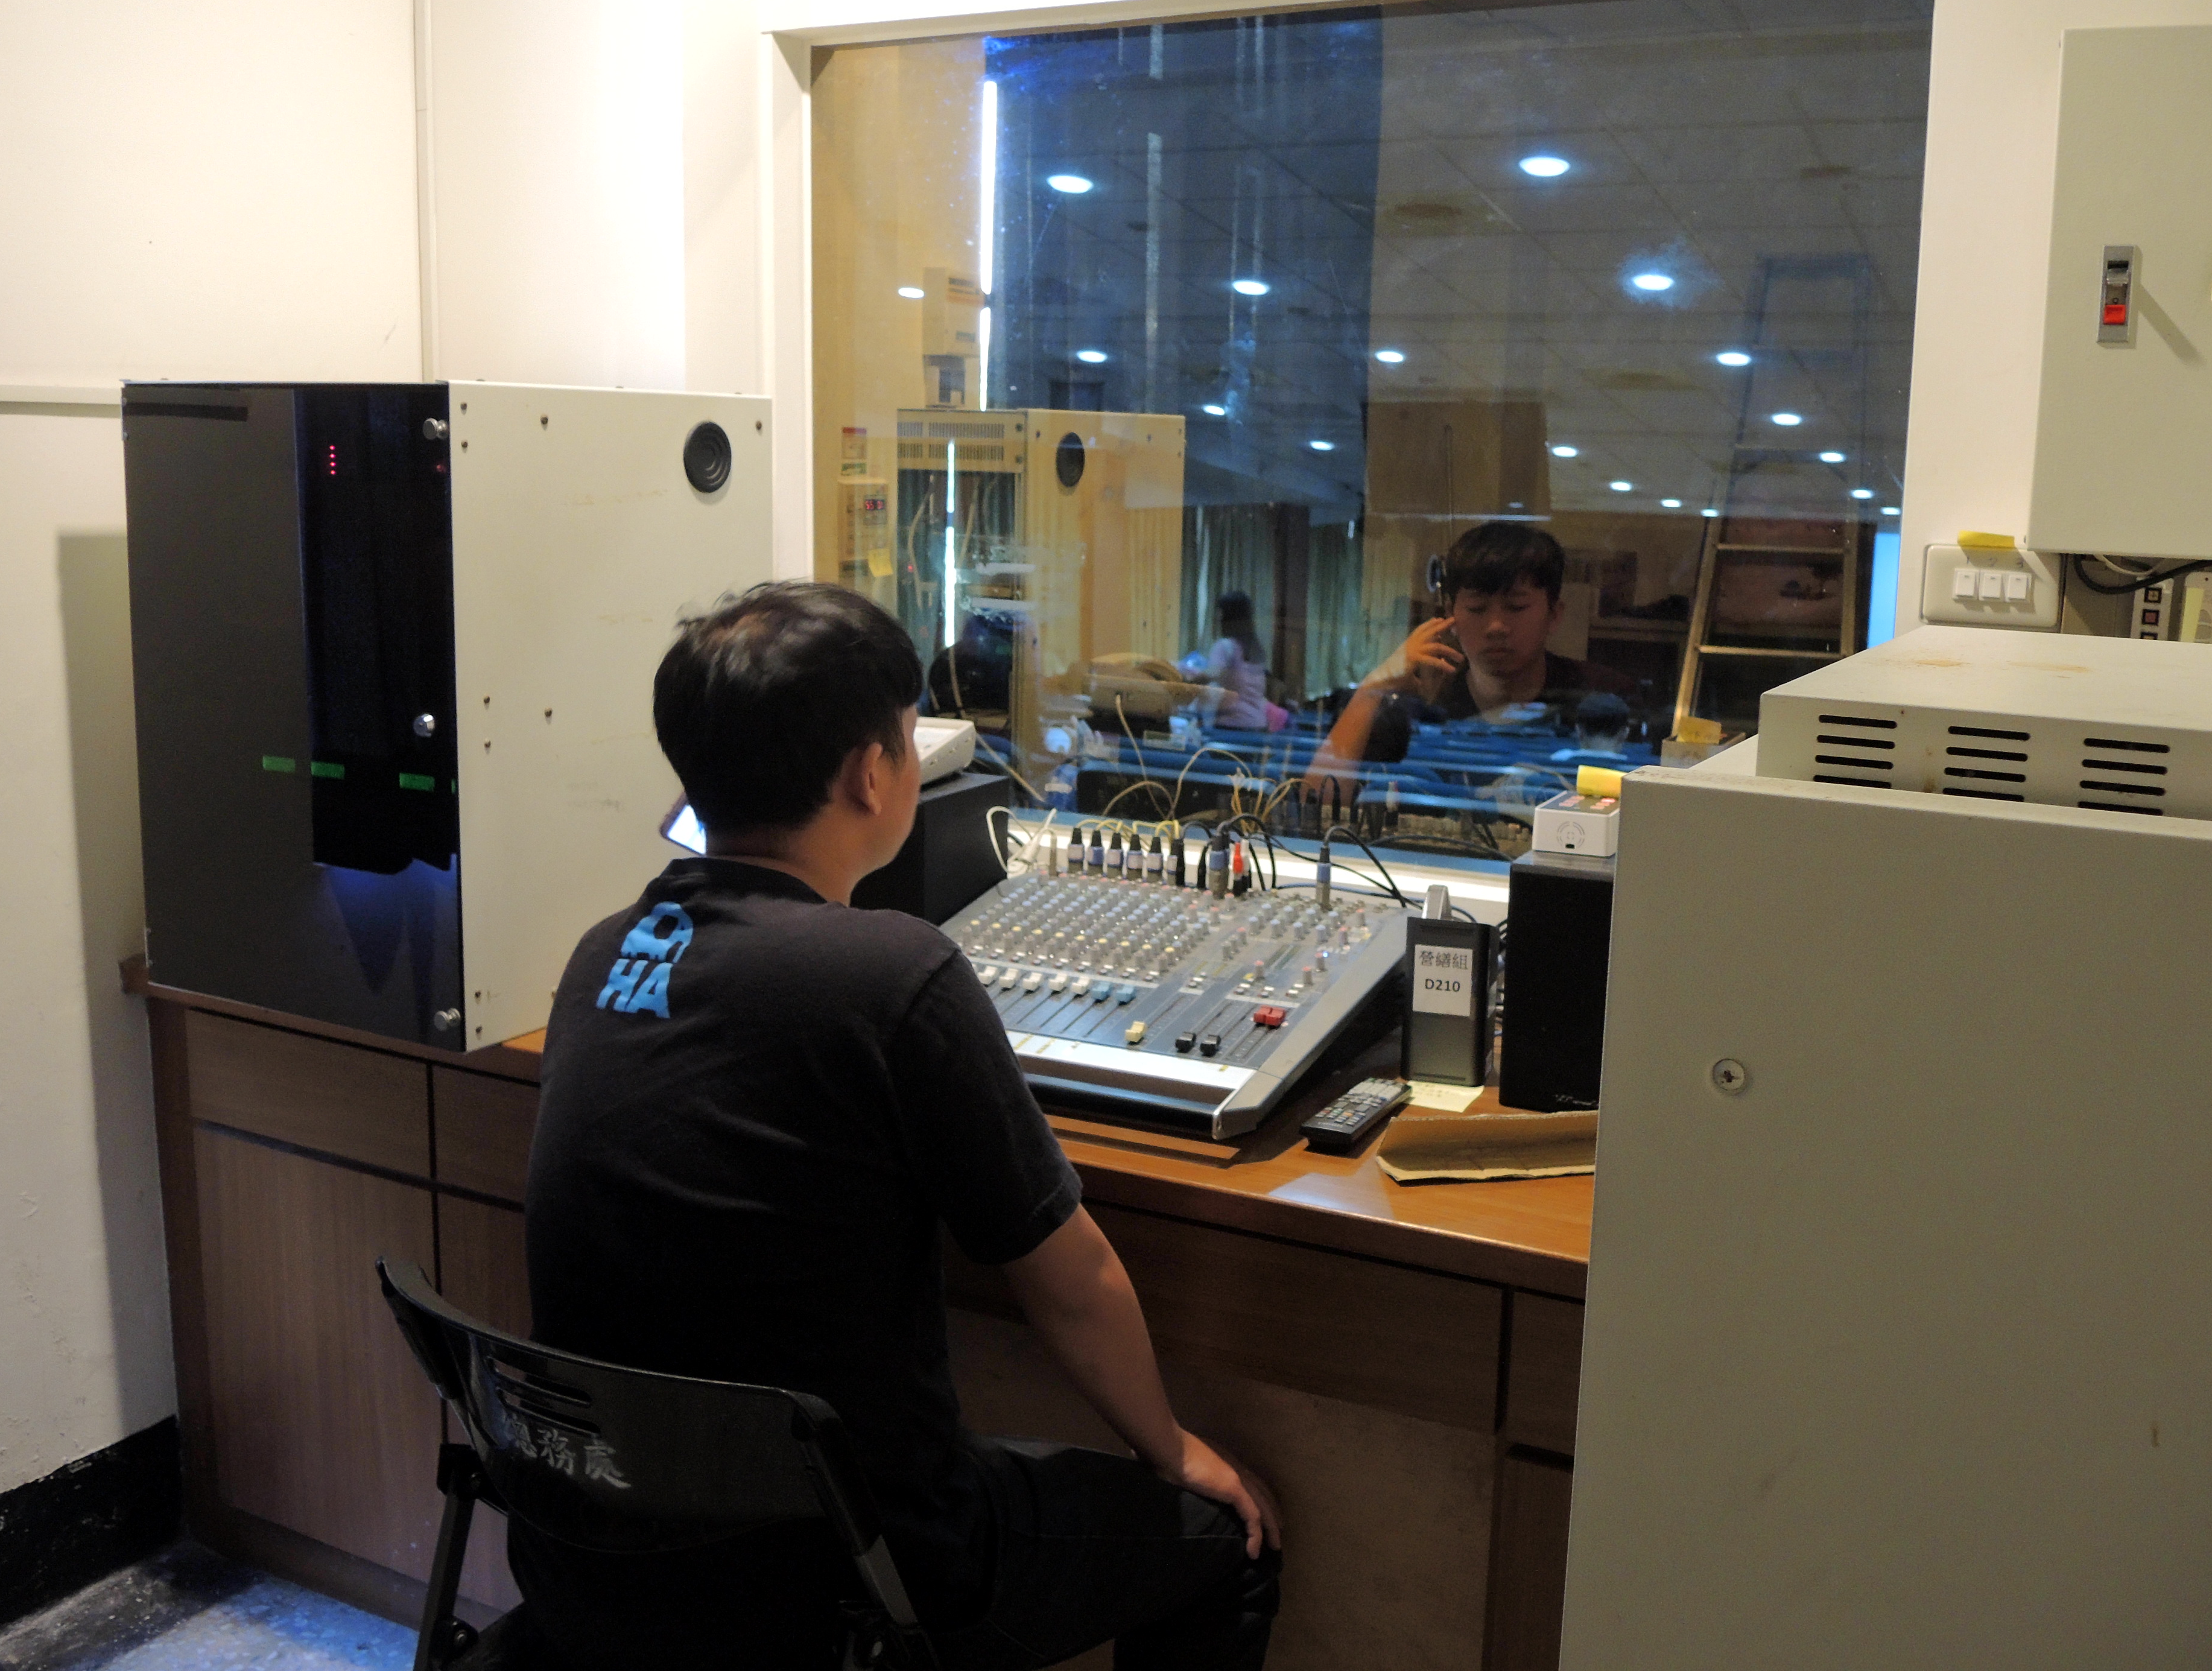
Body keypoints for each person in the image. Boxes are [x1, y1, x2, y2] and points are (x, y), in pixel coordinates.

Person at [518, 581, 1282, 1670]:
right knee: (1226, 1537)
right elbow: (1070, 1280)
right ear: (871, 775)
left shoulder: (603, 954)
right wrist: (1172, 1449)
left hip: (598, 1548)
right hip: (846, 1573)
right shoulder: (891, 974)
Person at [1310, 521, 1634, 780]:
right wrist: (1374, 687)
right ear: (1450, 614)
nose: (1496, 626)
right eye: (1477, 608)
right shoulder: (1425, 706)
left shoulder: (1605, 699)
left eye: (1516, 607)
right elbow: (1320, 801)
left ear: (1554, 614)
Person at [1193, 590, 1279, 731]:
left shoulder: (1225, 646)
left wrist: (1186, 681)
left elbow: (1212, 674)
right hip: (1259, 725)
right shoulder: (1255, 649)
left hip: (1232, 725)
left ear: (1225, 616)